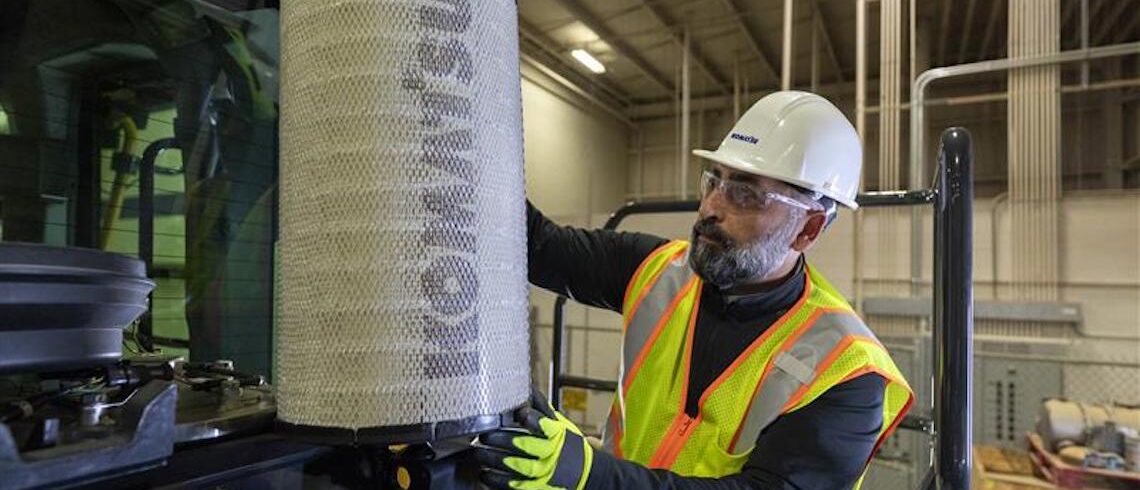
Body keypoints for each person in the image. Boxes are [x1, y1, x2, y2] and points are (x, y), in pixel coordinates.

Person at [473, 91, 914, 490]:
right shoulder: (658, 271)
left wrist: (591, 473)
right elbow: (539, 246)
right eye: (713, 181)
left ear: (808, 228)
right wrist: (462, 154)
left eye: (743, 194)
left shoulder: (847, 372)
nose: (710, 208)